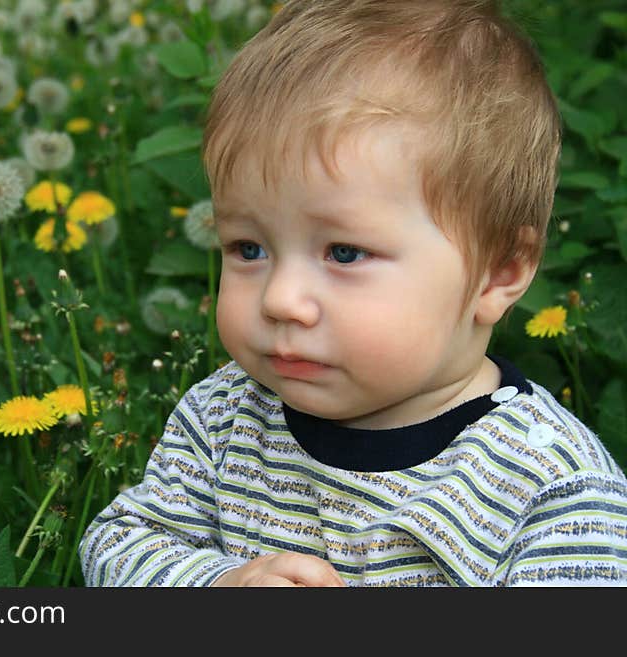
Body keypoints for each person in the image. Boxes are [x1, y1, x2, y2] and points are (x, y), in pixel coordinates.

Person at [79, 0, 627, 586]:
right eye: (248, 249)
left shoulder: (549, 487)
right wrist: (213, 584)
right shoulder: (224, 416)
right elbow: (119, 543)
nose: (280, 300)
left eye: (344, 253)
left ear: (499, 272)